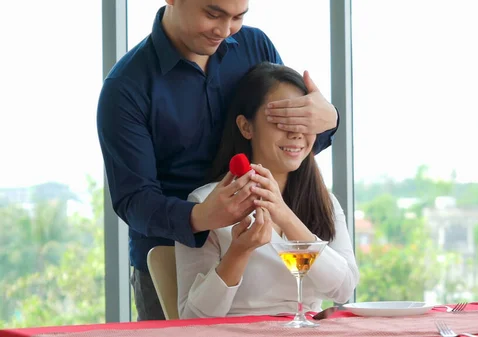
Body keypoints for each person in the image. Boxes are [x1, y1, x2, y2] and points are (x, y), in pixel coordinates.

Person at [96, 0, 339, 321]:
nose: (224, 31)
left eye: (237, 17)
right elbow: (133, 201)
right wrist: (200, 216)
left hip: (264, 247)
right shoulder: (126, 88)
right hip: (174, 258)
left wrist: (328, 119)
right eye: (213, 14)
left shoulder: (255, 46)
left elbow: (285, 141)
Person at [175, 62, 359, 318]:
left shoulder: (323, 200)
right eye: (282, 120)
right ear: (246, 127)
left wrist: (285, 216)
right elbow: (193, 318)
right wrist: (238, 252)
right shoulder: (207, 203)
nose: (296, 132)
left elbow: (343, 290)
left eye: (303, 120)